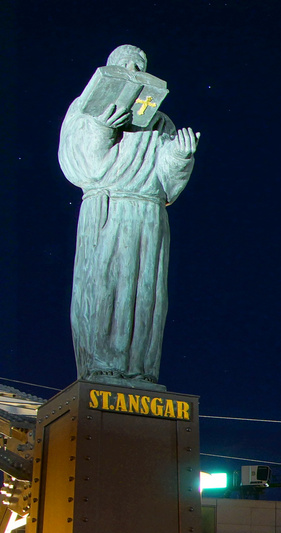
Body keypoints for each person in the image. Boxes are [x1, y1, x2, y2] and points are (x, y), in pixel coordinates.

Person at [58, 45, 200, 387]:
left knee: (146, 294)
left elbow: (167, 184)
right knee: (105, 284)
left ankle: (140, 368)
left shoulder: (160, 122)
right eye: (126, 64)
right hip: (108, 209)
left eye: (140, 65)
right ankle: (101, 365)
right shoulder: (85, 110)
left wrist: (180, 157)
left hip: (149, 215)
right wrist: (102, 129)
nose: (134, 69)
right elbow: (82, 168)